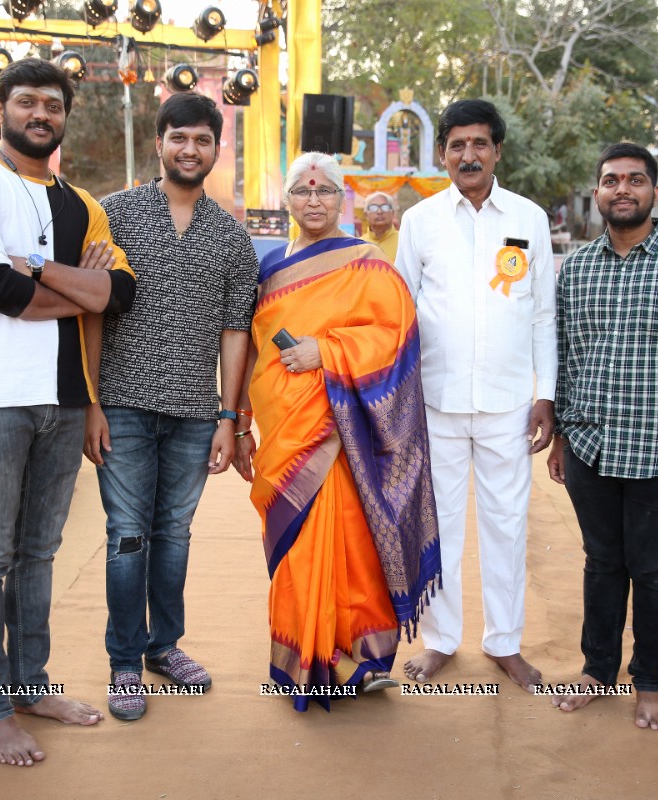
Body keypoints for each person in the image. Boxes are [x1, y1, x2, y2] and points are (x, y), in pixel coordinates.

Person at [0, 58, 136, 767]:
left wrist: (43, 270)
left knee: (38, 554)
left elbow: (117, 298)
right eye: (26, 101)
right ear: (0, 109)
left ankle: (30, 682)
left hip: (65, 399)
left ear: (64, 117)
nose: (40, 113)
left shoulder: (83, 203)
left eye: (53, 104)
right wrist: (75, 285)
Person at [233, 151, 441, 711]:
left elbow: (396, 335)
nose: (314, 201)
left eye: (325, 192)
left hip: (340, 426)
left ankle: (360, 659)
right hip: (284, 424)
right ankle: (301, 656)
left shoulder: (365, 262)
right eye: (302, 191)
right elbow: (251, 349)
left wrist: (325, 349)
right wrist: (242, 422)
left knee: (351, 538)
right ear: (289, 200)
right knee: (297, 546)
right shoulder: (269, 268)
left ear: (341, 199)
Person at [83, 92, 258, 721]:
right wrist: (92, 402)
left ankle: (165, 646)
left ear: (216, 149)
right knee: (127, 536)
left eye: (202, 140)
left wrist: (228, 418)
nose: (190, 150)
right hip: (123, 407)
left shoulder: (232, 238)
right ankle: (125, 663)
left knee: (173, 536)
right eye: (178, 138)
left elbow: (235, 330)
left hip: (193, 413)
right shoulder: (114, 215)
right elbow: (92, 308)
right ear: (158, 143)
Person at [547, 143, 658, 730]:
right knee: (601, 564)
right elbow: (567, 358)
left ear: (654, 191)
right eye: (610, 180)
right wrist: (564, 439)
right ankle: (598, 670)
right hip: (591, 449)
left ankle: (649, 682)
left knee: (654, 572)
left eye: (635, 180)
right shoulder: (575, 268)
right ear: (597, 192)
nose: (622, 189)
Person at [395, 98, 556, 691]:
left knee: (507, 525)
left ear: (497, 151)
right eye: (457, 145)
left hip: (510, 403)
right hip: (434, 402)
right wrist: (403, 397)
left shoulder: (529, 219)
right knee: (440, 527)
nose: (469, 155)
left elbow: (543, 316)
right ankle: (441, 639)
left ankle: (504, 642)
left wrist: (546, 394)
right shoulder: (420, 222)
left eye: (479, 144)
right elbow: (402, 311)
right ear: (443, 153)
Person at [361, 191, 399, 262]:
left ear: (393, 213)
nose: (379, 211)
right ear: (366, 214)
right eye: (373, 207)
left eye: (385, 207)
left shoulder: (403, 241)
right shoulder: (359, 244)